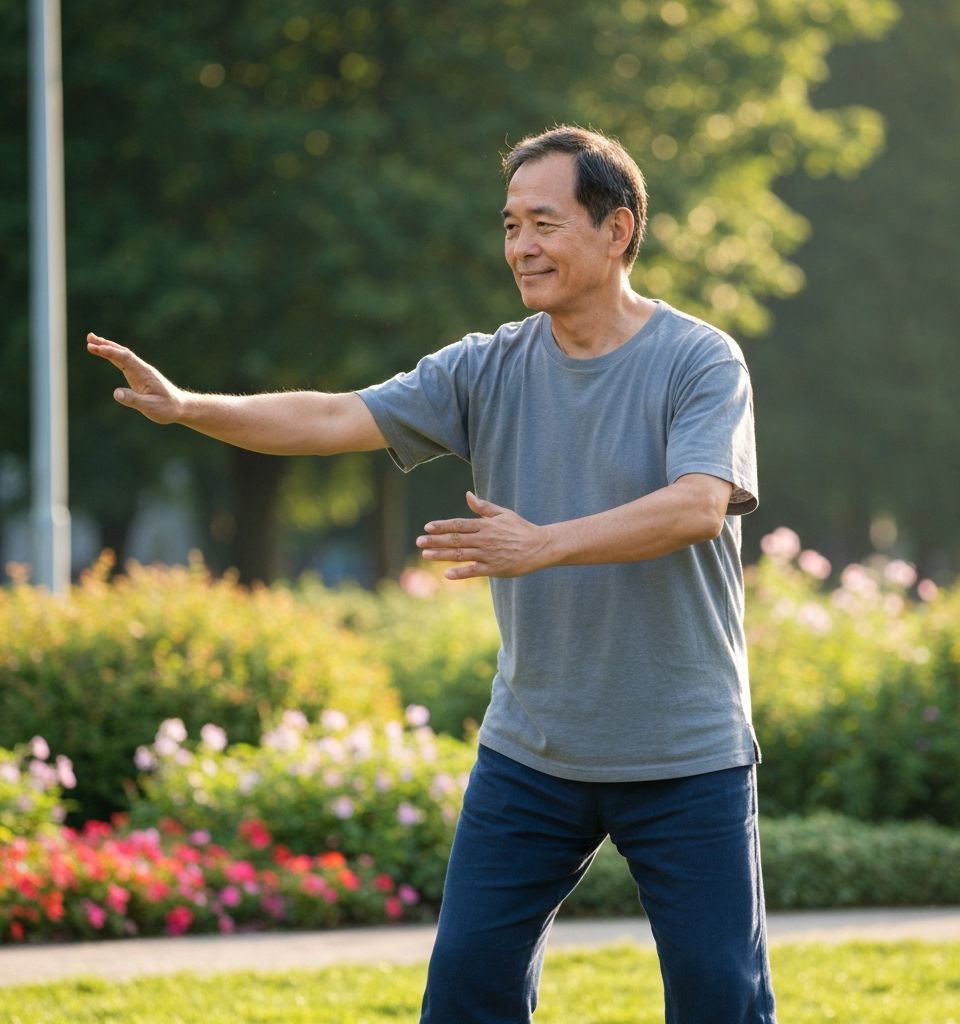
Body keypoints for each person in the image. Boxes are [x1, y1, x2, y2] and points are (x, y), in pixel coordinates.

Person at [88, 125, 777, 1023]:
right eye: (509, 226)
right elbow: (334, 415)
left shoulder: (699, 359)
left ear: (618, 229)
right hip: (532, 753)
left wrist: (545, 543)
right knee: (463, 998)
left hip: (686, 753)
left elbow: (696, 503)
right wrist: (188, 408)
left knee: (721, 1002)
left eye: (545, 222)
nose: (521, 247)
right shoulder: (486, 366)